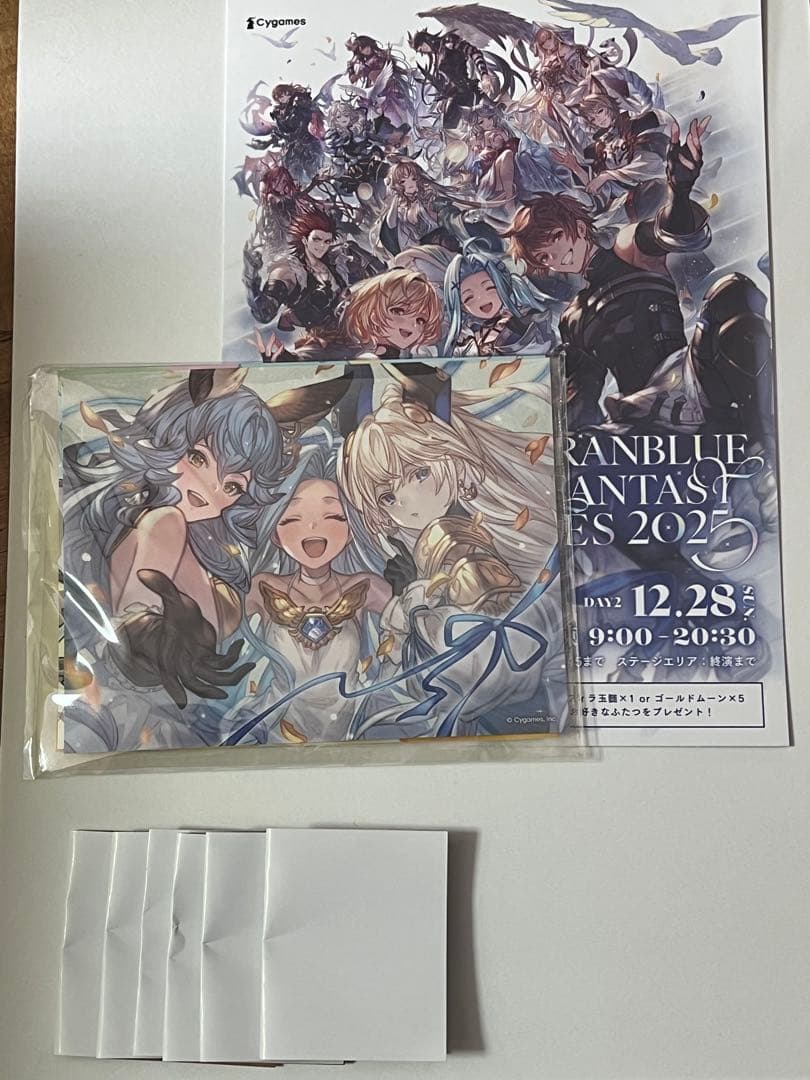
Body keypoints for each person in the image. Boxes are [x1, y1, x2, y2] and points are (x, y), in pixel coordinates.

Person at [507, 116, 771, 436]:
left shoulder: (627, 248)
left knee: (733, 292)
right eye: (544, 257)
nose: (557, 257)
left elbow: (671, 232)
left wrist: (679, 190)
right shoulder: (573, 318)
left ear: (578, 227)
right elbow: (582, 393)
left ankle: (762, 434)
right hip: (637, 414)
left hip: (691, 379)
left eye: (556, 239)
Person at [341, 268, 442, 357]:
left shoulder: (405, 355)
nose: (413, 324)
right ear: (373, 315)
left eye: (420, 320)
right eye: (398, 311)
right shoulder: (370, 357)